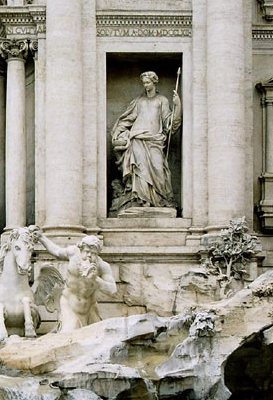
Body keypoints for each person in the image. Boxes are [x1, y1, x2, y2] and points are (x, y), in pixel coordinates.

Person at [111, 70, 181, 212]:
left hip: (155, 140)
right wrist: (118, 131)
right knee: (139, 169)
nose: (145, 85)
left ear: (154, 82)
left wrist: (178, 106)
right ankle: (142, 201)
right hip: (137, 138)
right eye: (144, 83)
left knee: (158, 167)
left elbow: (169, 122)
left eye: (148, 82)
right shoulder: (139, 101)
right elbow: (127, 119)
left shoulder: (162, 100)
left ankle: (159, 199)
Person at [34, 229, 117, 331]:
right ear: (81, 249)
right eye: (87, 251)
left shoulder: (102, 266)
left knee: (97, 336)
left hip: (90, 308)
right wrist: (41, 238)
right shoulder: (73, 253)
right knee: (69, 333)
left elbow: (113, 291)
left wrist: (96, 279)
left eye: (93, 253)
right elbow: (57, 251)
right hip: (69, 304)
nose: (89, 256)